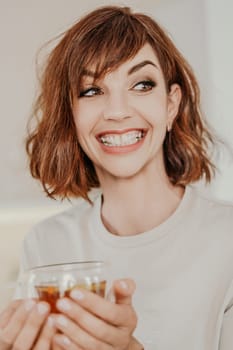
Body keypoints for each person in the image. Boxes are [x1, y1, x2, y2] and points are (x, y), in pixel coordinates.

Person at [0, 5, 233, 350]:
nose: (118, 110)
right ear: (71, 116)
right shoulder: (47, 245)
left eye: (142, 84)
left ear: (171, 105)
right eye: (91, 91)